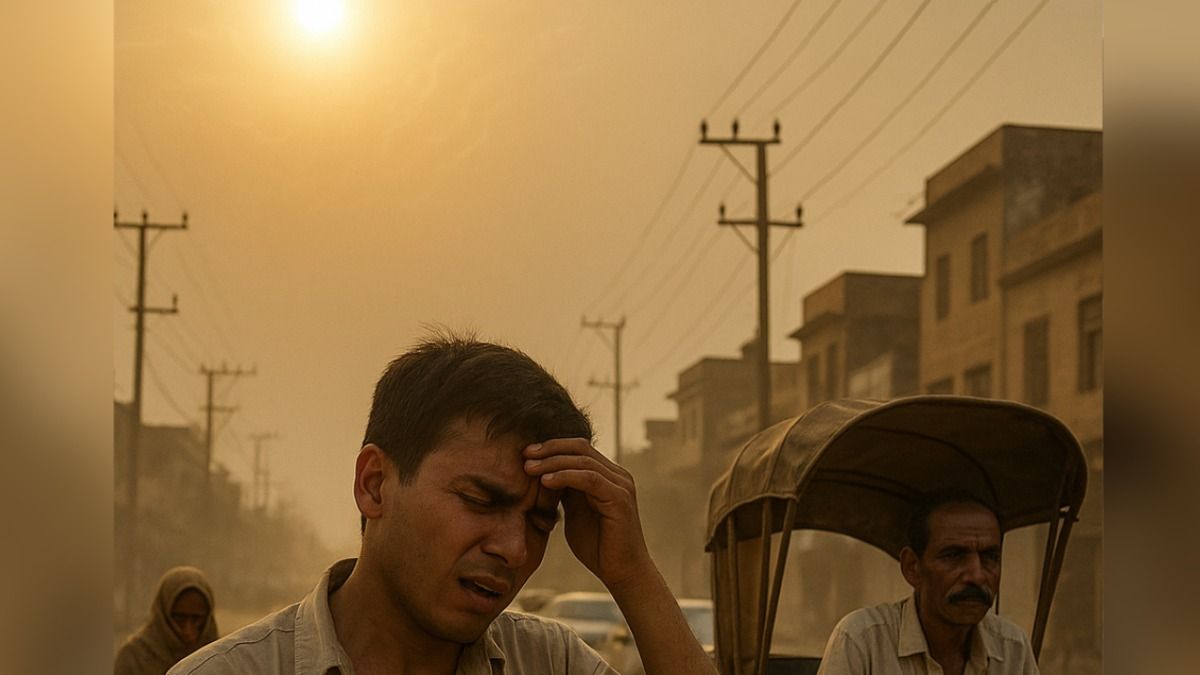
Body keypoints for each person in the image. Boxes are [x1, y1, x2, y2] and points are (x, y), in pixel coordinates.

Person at [170, 333, 717, 675]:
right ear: (375, 484)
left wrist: (632, 573)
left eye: (539, 521)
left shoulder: (550, 663)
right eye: (480, 500)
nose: (513, 548)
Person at [816, 492, 1039, 675]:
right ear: (913, 568)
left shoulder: (1012, 648)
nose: (977, 576)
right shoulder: (862, 642)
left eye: (990, 557)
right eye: (953, 555)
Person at [115, 566, 218, 675]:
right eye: (179, 618)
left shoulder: (219, 657)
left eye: (197, 618)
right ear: (163, 615)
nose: (188, 630)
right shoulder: (134, 658)